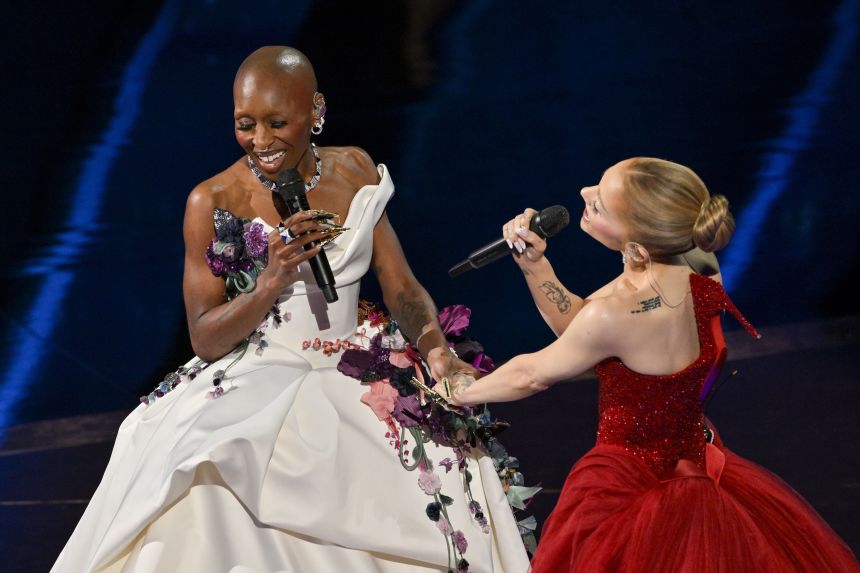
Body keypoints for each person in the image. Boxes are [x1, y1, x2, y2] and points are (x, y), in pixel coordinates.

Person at [52, 46, 529, 573]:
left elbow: (401, 287)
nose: (261, 141)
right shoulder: (213, 200)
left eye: (277, 123)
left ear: (315, 110)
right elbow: (205, 339)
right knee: (212, 466)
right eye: (245, 124)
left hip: (356, 363)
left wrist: (436, 350)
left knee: (434, 473)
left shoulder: (356, 169)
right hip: (260, 370)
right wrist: (270, 281)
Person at [447, 158, 860, 572]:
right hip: (698, 463)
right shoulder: (700, 265)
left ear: (637, 248)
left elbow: (531, 374)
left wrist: (456, 392)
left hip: (628, 484)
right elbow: (583, 331)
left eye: (599, 203)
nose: (584, 193)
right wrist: (535, 266)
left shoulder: (615, 314)